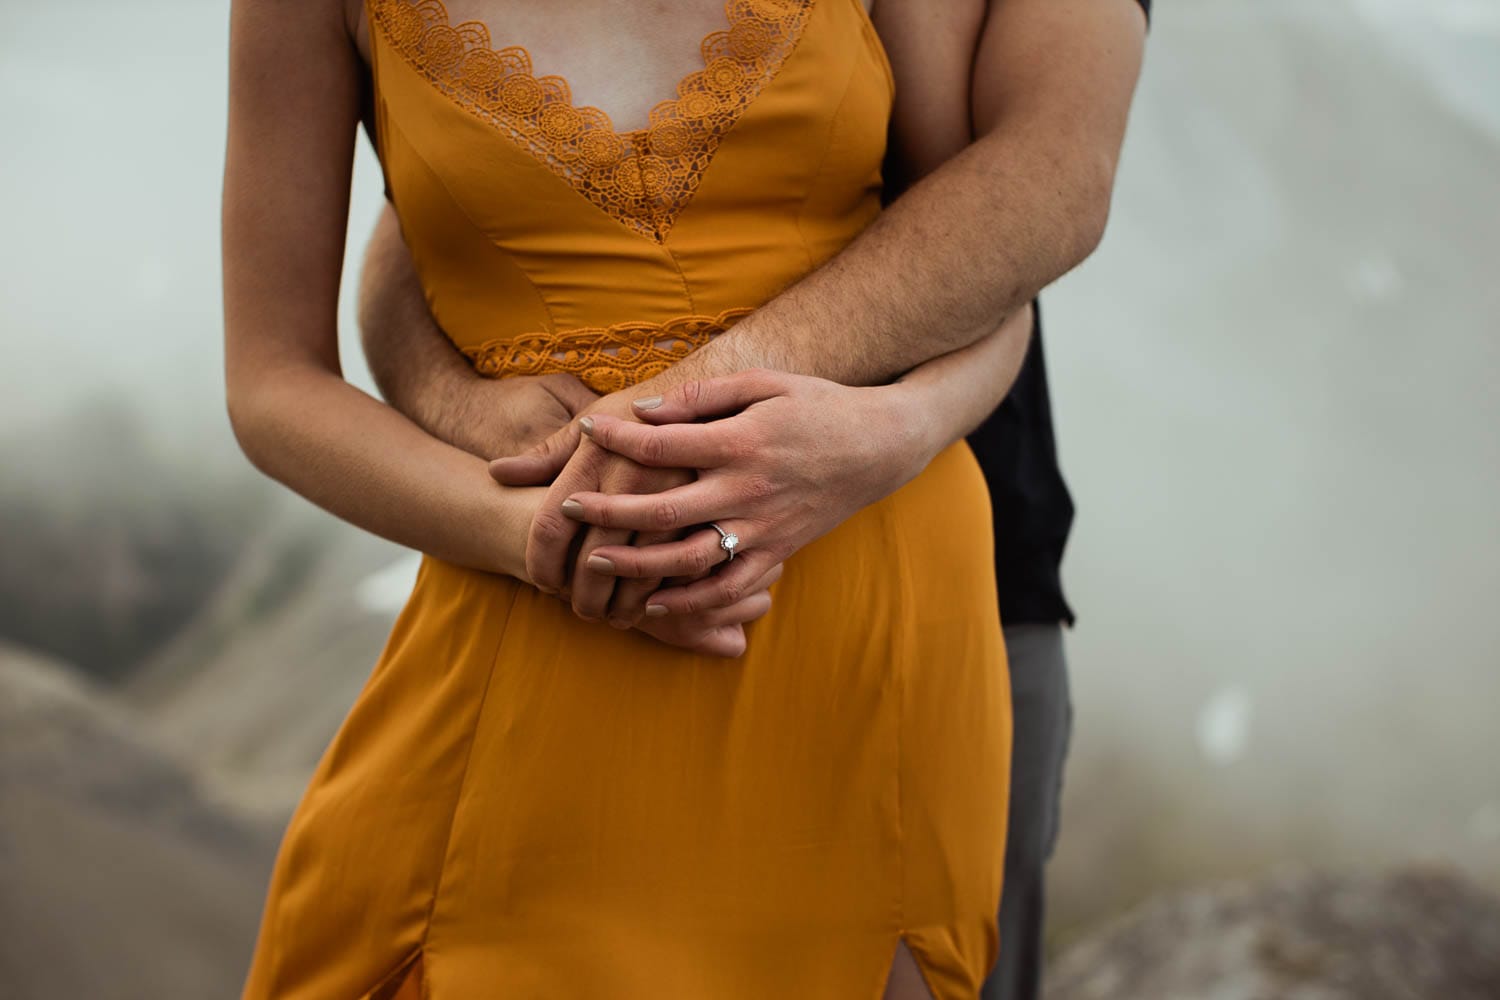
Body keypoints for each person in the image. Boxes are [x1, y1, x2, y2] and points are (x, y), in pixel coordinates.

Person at [223, 2, 1140, 999]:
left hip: (860, 606)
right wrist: (527, 523)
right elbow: (323, 324)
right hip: (537, 605)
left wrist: (889, 430)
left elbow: (1010, 226)